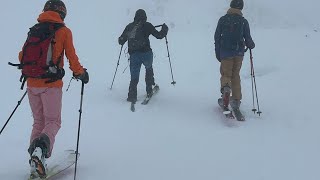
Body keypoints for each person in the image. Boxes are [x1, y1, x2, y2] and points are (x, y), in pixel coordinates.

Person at [18, 0, 89, 178]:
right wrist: (80, 73)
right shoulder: (64, 31)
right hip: (51, 86)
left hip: (31, 84)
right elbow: (72, 57)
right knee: (53, 122)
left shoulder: (34, 29)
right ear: (62, 13)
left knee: (38, 122)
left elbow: (22, 56)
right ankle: (40, 152)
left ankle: (35, 162)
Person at [118, 9, 168, 103]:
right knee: (149, 70)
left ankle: (132, 96)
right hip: (146, 54)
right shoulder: (147, 25)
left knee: (134, 76)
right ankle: (149, 90)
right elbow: (159, 35)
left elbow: (121, 41)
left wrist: (123, 38)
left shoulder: (129, 26)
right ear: (145, 17)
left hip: (134, 56)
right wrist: (165, 29)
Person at [214, 0, 255, 111]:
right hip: (239, 53)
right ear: (241, 8)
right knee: (235, 75)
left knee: (226, 74)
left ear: (231, 6)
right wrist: (251, 45)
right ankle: (236, 100)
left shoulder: (223, 20)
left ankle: (226, 89)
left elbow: (217, 37)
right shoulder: (243, 21)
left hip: (226, 53)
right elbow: (248, 38)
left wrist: (218, 53)